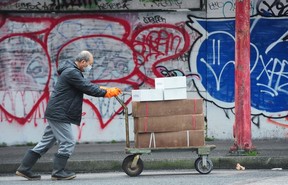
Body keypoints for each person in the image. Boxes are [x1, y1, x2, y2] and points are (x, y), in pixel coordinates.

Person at [15, 50, 122, 180]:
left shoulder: (72, 71)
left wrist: (105, 89)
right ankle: (58, 172)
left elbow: (86, 85)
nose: (90, 67)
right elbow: (87, 88)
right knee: (68, 141)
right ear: (83, 62)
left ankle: (24, 169)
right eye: (90, 64)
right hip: (60, 113)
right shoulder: (72, 72)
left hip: (57, 112)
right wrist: (107, 93)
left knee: (45, 143)